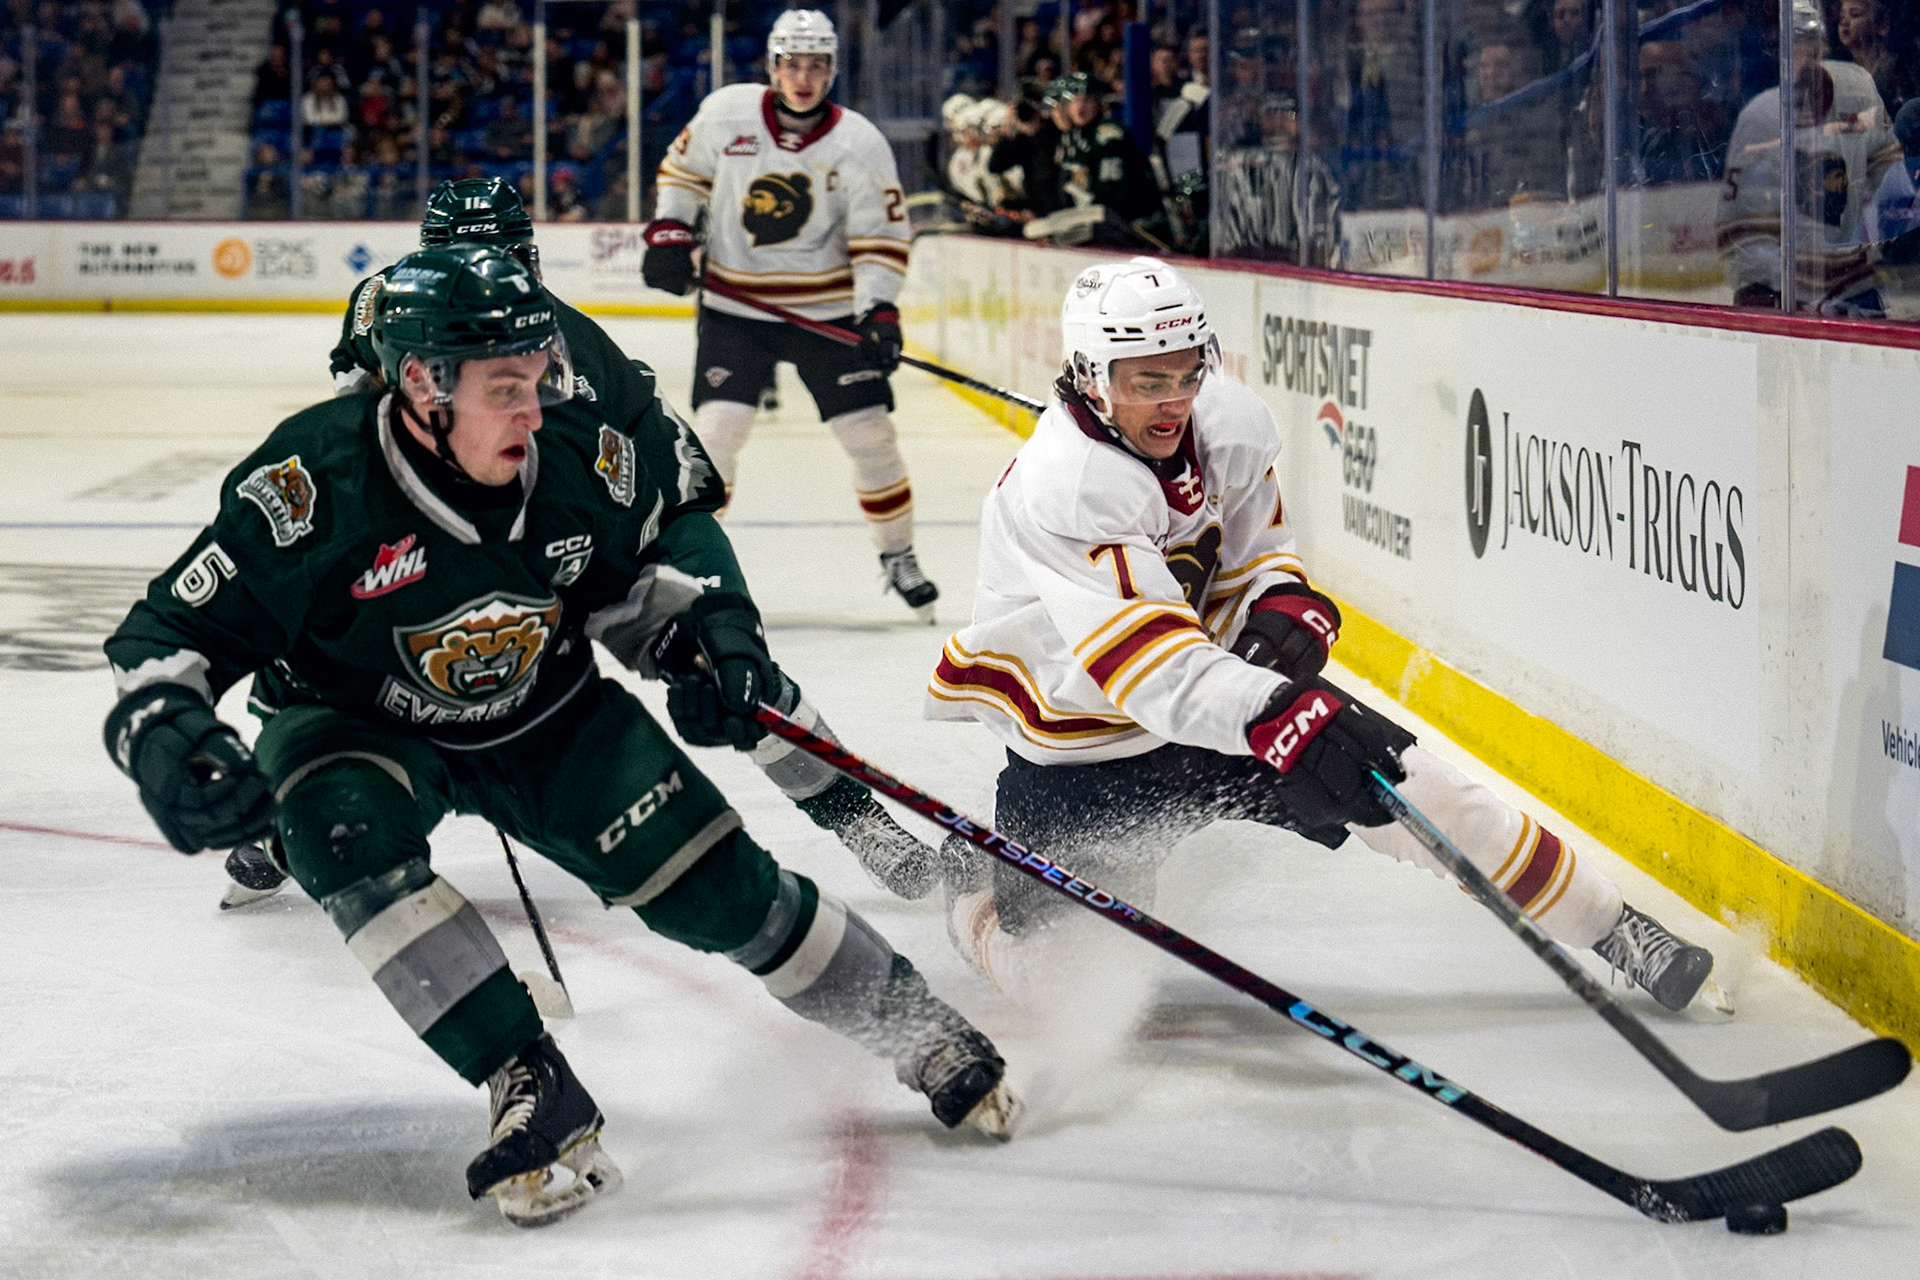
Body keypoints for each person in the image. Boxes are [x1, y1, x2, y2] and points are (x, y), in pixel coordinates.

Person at [100, 244, 1020, 1228]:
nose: (533, 409)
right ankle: (526, 1076)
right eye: (506, 388)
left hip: (548, 718)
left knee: (722, 895)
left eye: (537, 378)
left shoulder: (577, 448)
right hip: (362, 726)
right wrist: (164, 732)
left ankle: (916, 1022)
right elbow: (166, 637)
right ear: (421, 383)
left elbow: (647, 572)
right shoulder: (312, 480)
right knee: (331, 823)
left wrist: (711, 639)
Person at [924, 256, 1719, 1016]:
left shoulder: (1224, 422)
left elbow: (1260, 555)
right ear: (1094, 381)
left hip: (1219, 717)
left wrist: (1281, 606)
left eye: (1186, 374)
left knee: (1418, 787)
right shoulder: (1068, 486)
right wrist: (1276, 709)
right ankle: (973, 902)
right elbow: (1154, 675)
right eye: (1147, 383)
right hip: (1080, 759)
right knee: (1073, 993)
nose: (1174, 402)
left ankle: (1615, 927)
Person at [220, 177, 940, 909]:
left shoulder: (589, 368)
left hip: (557, 561)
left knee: (731, 676)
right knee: (330, 636)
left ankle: (864, 824)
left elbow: (681, 502)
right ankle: (289, 808)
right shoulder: (390, 311)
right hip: (424, 551)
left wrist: (725, 620)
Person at [642, 10, 940, 621]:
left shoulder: (858, 141)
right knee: (717, 434)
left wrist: (878, 309)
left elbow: (881, 235)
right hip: (735, 308)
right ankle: (698, 565)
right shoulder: (726, 113)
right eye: (792, 64)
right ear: (773, 66)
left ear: (832, 70)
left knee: (871, 439)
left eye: (816, 65)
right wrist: (670, 231)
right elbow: (684, 172)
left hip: (825, 314)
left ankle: (899, 554)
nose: (804, 78)